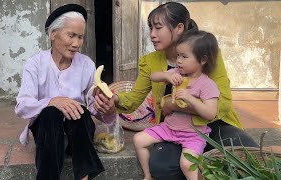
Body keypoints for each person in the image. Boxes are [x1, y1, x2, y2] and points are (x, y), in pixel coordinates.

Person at [94, 2, 258, 180]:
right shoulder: (150, 62)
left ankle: (197, 164)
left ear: (179, 28)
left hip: (213, 124)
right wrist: (113, 98)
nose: (152, 35)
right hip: (174, 127)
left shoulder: (207, 55)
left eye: (158, 28)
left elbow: (223, 103)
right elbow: (133, 99)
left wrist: (172, 104)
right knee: (161, 168)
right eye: (150, 28)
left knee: (247, 151)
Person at [15, 4, 115, 180]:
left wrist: (106, 108)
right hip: (47, 135)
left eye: (81, 37)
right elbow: (22, 106)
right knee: (51, 113)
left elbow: (94, 107)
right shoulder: (35, 64)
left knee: (80, 111)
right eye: (71, 35)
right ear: (53, 34)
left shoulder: (86, 65)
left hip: (78, 135)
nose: (77, 43)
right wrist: (53, 101)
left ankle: (84, 177)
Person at [134, 30, 220, 180]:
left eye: (184, 56)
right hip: (169, 128)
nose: (178, 60)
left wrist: (191, 99)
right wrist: (166, 75)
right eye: (178, 55)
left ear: (202, 60)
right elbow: (153, 76)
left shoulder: (207, 85)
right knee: (138, 140)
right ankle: (148, 175)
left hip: (192, 134)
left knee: (187, 164)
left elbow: (210, 113)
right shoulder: (177, 74)